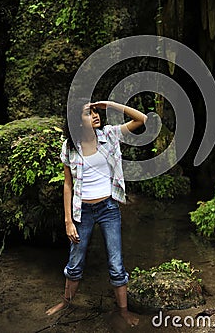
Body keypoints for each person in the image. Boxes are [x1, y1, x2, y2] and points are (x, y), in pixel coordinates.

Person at [46, 99, 147, 327]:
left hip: (108, 209)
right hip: (83, 212)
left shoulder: (109, 135)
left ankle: (123, 311)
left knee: (115, 263)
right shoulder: (69, 147)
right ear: (76, 121)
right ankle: (66, 302)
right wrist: (67, 221)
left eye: (94, 111)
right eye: (87, 113)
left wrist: (109, 105)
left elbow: (142, 119)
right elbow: (68, 185)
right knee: (75, 261)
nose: (94, 115)